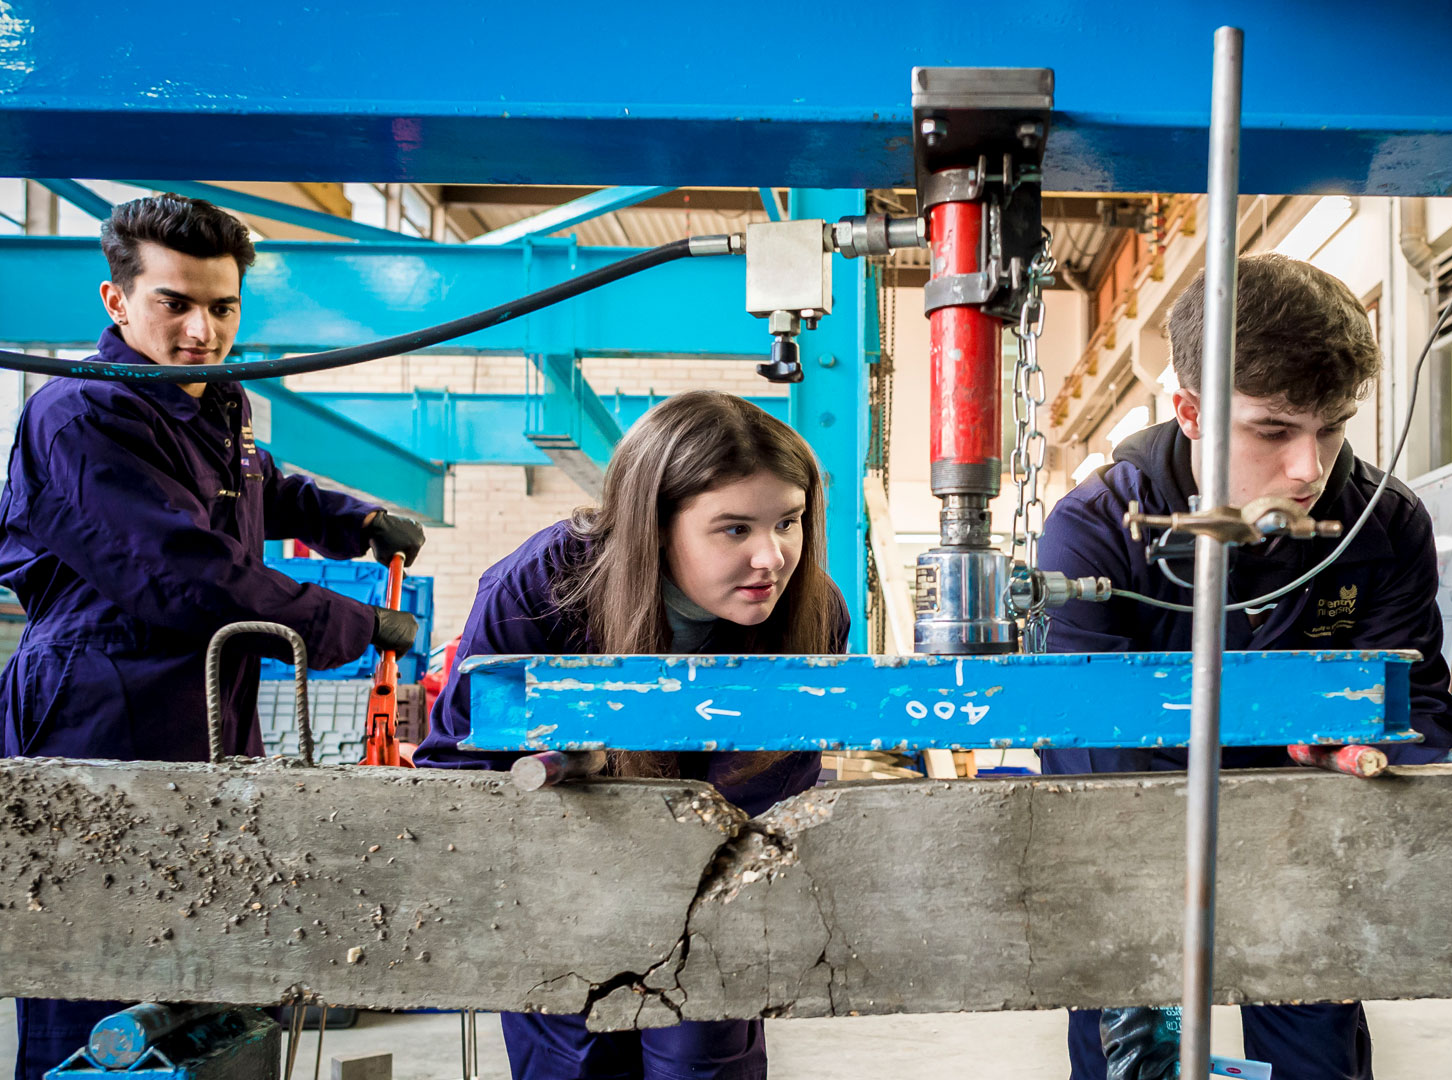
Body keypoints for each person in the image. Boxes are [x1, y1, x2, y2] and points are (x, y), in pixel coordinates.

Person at [0, 194, 424, 1079]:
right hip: (97, 704)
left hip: (201, 700)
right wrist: (346, 621)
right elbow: (180, 574)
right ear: (116, 301)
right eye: (174, 303)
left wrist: (360, 519)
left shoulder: (211, 404)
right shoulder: (81, 414)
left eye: (222, 307)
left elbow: (260, 484)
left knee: (207, 948)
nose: (202, 330)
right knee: (101, 963)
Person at [1037, 254, 1452, 1080]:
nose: (1309, 468)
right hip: (1133, 839)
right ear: (1190, 411)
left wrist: (1399, 786)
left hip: (1310, 843)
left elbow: (1410, 709)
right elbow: (1085, 744)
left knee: (1320, 1060)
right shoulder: (1094, 531)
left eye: (1333, 426)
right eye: (1274, 430)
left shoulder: (1384, 524)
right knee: (1130, 1056)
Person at [416, 390, 848, 1080]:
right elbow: (457, 770)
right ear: (653, 524)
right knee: (575, 1066)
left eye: (789, 522)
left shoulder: (813, 613)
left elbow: (783, 785)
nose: (772, 557)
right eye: (734, 529)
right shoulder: (539, 590)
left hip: (714, 900)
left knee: (704, 1065)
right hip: (561, 895)